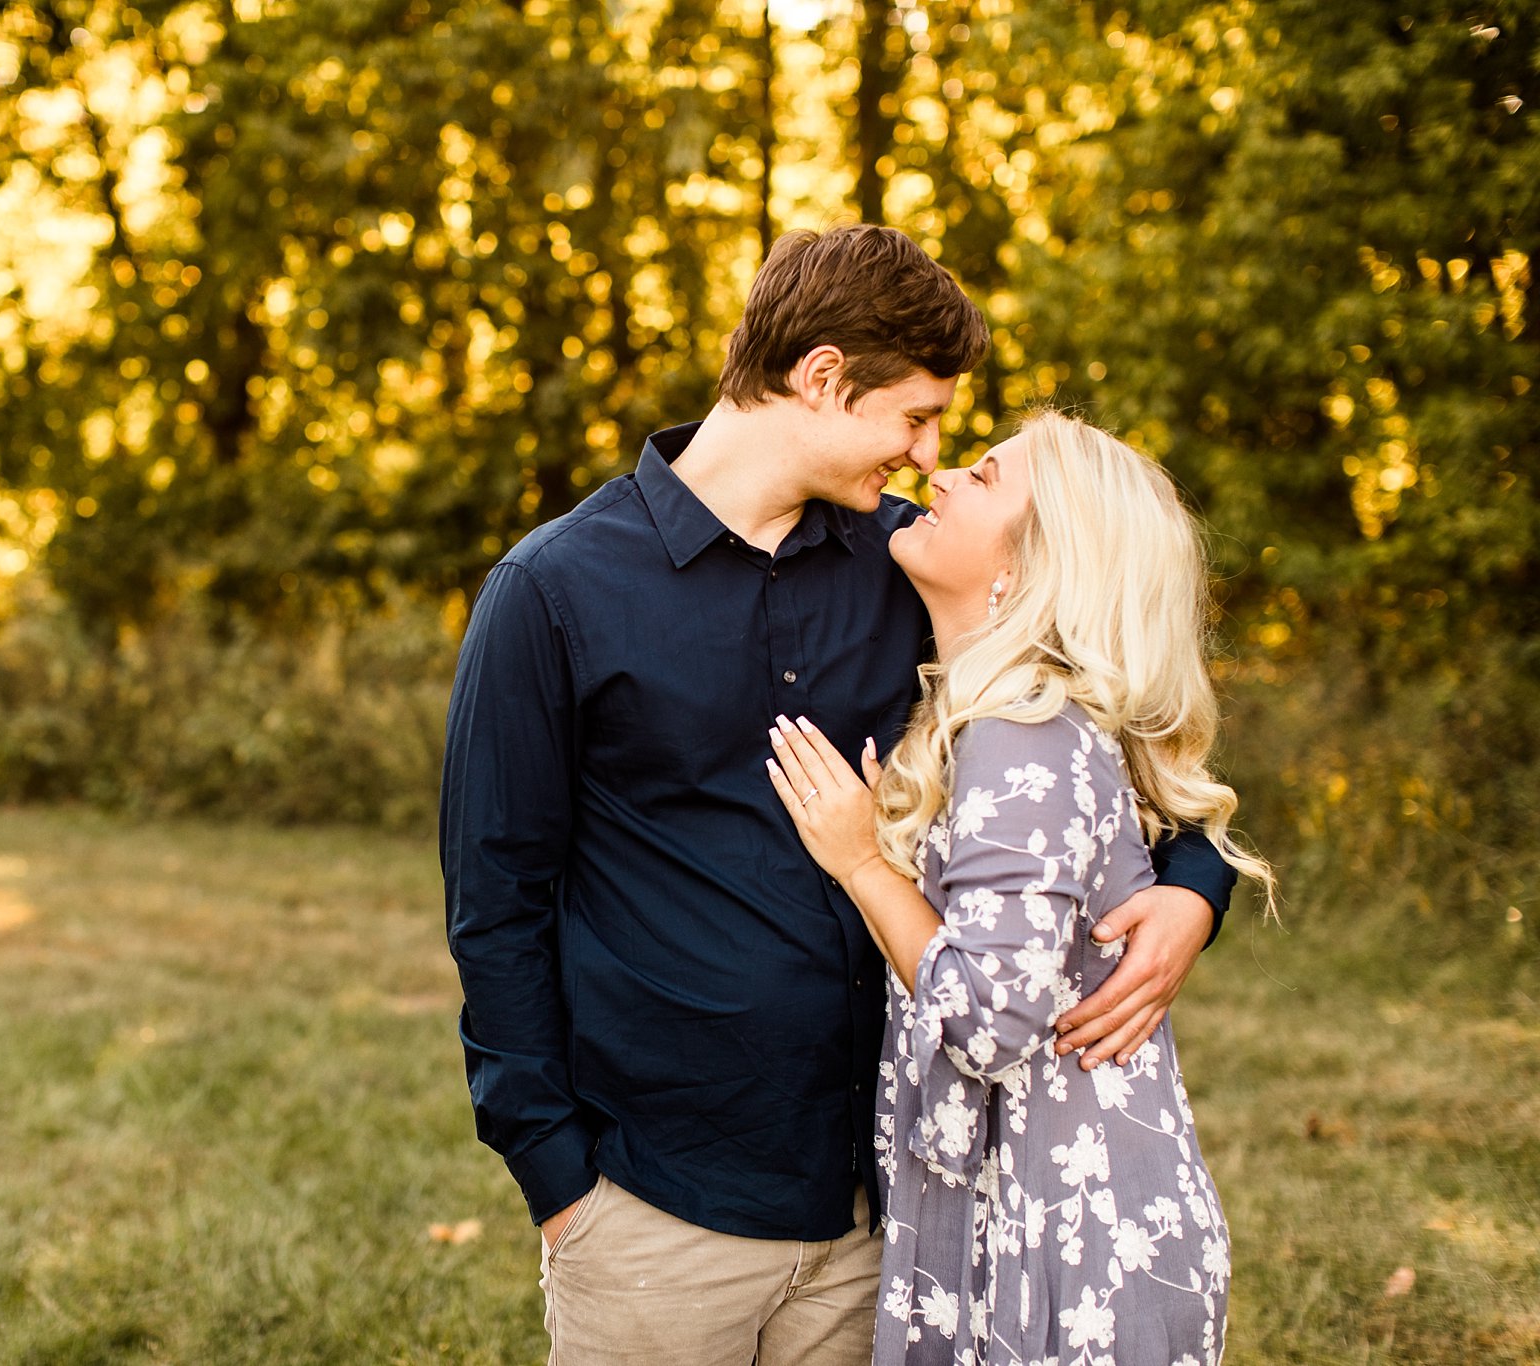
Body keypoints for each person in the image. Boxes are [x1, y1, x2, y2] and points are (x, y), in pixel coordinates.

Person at [439, 223, 1236, 1365]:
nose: (923, 457)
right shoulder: (551, 591)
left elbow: (1128, 732)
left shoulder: (913, 563)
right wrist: (557, 1177)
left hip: (889, 1211)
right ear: (820, 378)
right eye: (914, 417)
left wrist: (1190, 891)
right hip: (655, 1207)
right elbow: (495, 902)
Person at [766, 410, 1275, 1365]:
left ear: (1035, 568)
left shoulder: (1021, 733)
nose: (942, 474)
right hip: (1031, 1211)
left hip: (1063, 1250)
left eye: (987, 475)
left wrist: (863, 863)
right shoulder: (1010, 714)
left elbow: (988, 1022)